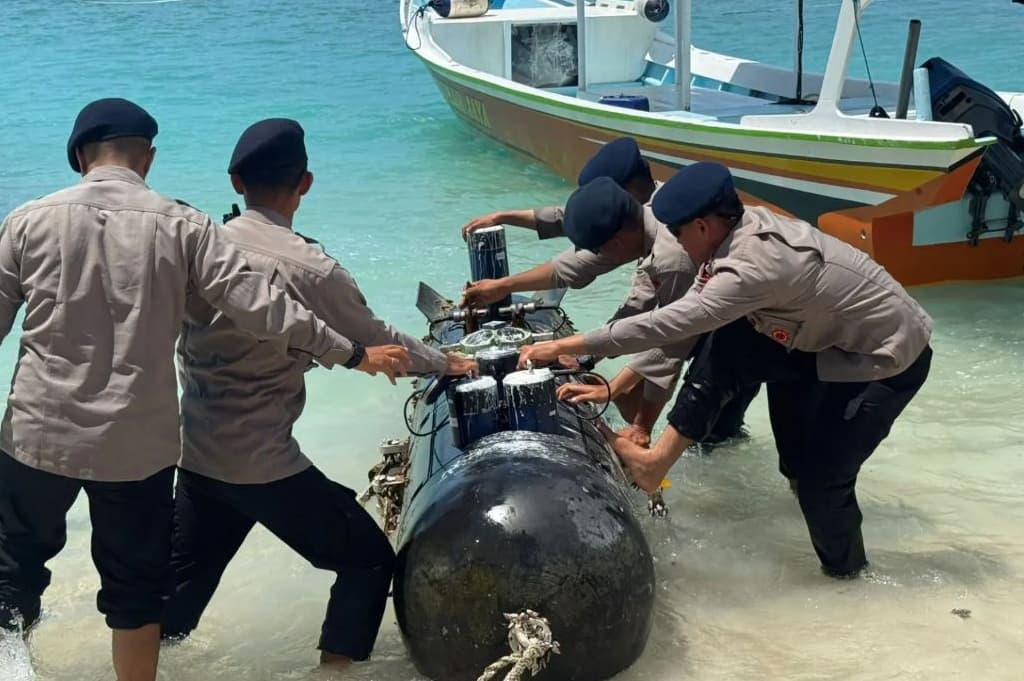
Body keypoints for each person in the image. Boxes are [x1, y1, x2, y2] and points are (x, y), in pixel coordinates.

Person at [0, 99, 409, 681]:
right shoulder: (184, 227)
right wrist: (351, 353)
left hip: (37, 437)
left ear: (77, 157)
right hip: (136, 447)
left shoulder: (26, 220)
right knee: (136, 593)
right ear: (148, 159)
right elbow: (264, 308)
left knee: (13, 573)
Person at [161, 118, 475, 669]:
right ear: (305, 184)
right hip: (264, 466)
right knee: (367, 560)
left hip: (198, 456)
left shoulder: (199, 248)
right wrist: (447, 361)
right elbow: (379, 343)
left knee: (172, 607)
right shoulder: (311, 269)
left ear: (236, 181)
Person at [519, 162, 933, 578]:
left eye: (678, 234)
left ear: (701, 226)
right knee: (732, 348)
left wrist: (566, 344)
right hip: (819, 341)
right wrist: (615, 385)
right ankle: (660, 461)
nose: (676, 243)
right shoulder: (731, 235)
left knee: (822, 480)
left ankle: (849, 580)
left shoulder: (751, 267)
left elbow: (672, 323)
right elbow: (681, 335)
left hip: (884, 359)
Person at [532, 177, 759, 446]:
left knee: (716, 432)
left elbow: (672, 334)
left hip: (763, 334)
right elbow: (651, 320)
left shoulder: (674, 260)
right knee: (713, 431)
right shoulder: (659, 227)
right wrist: (593, 365)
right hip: (745, 325)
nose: (678, 242)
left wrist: (638, 420)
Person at [459, 136, 657, 241]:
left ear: (628, 192)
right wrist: (501, 217)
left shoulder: (654, 229)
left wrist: (505, 286)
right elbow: (563, 218)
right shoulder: (642, 206)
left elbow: (577, 266)